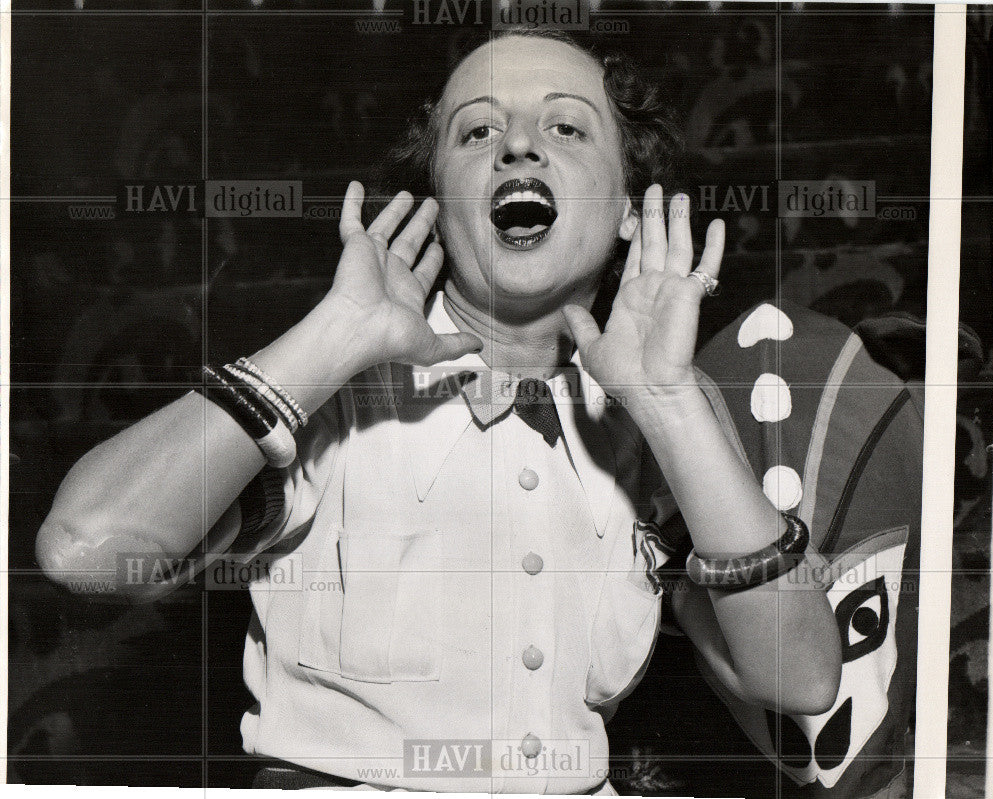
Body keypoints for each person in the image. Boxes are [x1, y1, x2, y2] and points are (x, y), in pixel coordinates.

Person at [36, 30, 845, 794]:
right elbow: (85, 550)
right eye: (475, 133)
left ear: (632, 207)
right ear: (438, 202)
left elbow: (799, 678)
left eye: (565, 127)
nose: (518, 145)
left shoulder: (657, 422)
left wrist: (669, 404)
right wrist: (332, 337)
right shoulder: (336, 396)